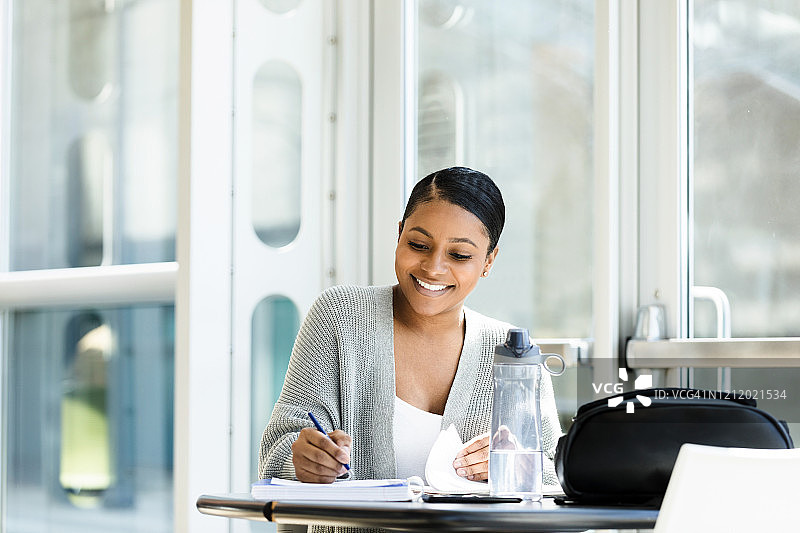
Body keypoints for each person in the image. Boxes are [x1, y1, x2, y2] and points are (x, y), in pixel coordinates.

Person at [259, 166, 561, 493]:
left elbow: (559, 474)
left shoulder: (513, 353)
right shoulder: (340, 316)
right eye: (418, 244)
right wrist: (302, 459)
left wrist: (517, 467)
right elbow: (277, 449)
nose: (433, 268)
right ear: (400, 233)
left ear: (488, 260)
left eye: (459, 255)